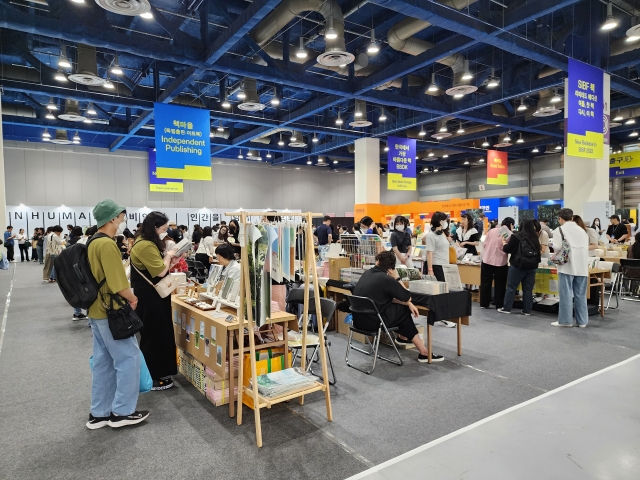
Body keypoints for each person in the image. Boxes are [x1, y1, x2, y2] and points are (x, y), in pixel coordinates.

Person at [85, 199, 147, 429]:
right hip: (111, 310)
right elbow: (117, 282)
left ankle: (99, 413)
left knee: (103, 362)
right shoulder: (107, 244)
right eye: (121, 217)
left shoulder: (92, 242)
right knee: (129, 359)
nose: (123, 221)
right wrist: (132, 297)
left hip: (95, 310)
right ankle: (121, 412)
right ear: (112, 218)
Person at [352, 250, 443, 362]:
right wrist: (397, 278)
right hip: (373, 323)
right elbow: (407, 296)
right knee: (403, 311)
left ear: (377, 262)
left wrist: (407, 302)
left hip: (357, 321)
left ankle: (404, 338)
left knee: (399, 308)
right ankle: (422, 351)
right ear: (391, 268)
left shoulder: (366, 274)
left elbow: (385, 298)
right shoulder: (386, 279)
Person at [130, 211, 181, 391]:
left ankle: (159, 372)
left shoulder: (145, 243)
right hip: (150, 297)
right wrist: (168, 255)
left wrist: (171, 260)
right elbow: (159, 272)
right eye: (164, 228)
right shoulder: (145, 245)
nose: (165, 232)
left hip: (153, 295)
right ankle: (153, 376)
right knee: (153, 335)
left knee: (158, 332)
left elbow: (159, 269)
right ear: (154, 227)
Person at [552, 208, 590, 328]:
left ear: (560, 219)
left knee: (566, 294)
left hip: (567, 266)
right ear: (572, 218)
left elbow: (557, 247)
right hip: (582, 266)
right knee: (580, 294)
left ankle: (565, 321)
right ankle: (582, 321)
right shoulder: (582, 230)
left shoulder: (559, 230)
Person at [498, 220, 542, 316]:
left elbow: (508, 249)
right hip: (532, 266)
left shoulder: (516, 236)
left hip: (518, 265)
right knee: (528, 289)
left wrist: (504, 242)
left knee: (511, 287)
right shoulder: (535, 237)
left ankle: (507, 308)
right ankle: (527, 310)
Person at [422, 212, 456, 328]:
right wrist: (430, 269)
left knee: (443, 292)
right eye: (445, 220)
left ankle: (440, 316)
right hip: (436, 266)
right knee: (440, 293)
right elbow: (429, 253)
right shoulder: (431, 235)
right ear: (440, 221)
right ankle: (442, 317)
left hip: (444, 265)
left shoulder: (441, 233)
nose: (447, 222)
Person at [480, 217, 515, 310]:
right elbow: (508, 248)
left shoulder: (492, 230)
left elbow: (485, 244)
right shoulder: (510, 234)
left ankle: (484, 303)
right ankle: (499, 304)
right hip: (500, 262)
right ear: (511, 224)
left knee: (485, 282)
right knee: (500, 284)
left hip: (487, 259)